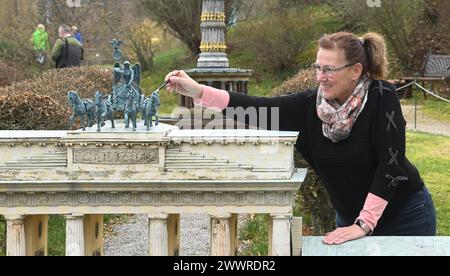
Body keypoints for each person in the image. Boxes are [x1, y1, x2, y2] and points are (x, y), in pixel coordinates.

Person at [165, 32, 437, 245]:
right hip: (351, 220)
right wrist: (198, 91)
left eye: (329, 69)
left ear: (356, 70)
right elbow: (258, 108)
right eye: (318, 68)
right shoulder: (309, 107)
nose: (321, 78)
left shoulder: (382, 97)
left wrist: (363, 224)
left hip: (405, 215)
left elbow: (390, 165)